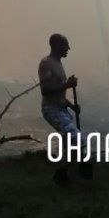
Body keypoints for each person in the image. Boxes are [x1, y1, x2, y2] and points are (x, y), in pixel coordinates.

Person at [38, 33, 83, 185]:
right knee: (76, 138)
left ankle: (65, 177)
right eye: (65, 45)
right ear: (56, 46)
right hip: (51, 109)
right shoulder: (46, 63)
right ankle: (62, 173)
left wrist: (71, 106)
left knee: (68, 144)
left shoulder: (58, 63)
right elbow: (45, 90)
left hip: (62, 109)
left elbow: (59, 93)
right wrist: (67, 85)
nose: (68, 48)